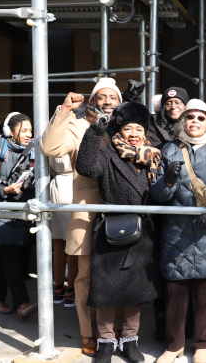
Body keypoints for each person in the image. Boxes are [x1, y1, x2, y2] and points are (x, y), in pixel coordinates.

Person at [40, 78, 144, 356]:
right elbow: (49, 149)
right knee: (86, 276)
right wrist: (63, 111)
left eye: (113, 97)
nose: (108, 101)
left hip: (122, 209)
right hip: (88, 210)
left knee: (124, 273)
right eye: (101, 97)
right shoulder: (78, 125)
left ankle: (123, 336)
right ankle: (90, 334)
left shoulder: (126, 126)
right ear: (92, 102)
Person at [150, 99, 206, 363]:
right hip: (175, 233)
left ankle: (203, 343)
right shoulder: (168, 149)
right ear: (183, 121)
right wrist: (167, 181)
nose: (195, 122)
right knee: (175, 295)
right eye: (190, 117)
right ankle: (174, 345)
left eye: (201, 118)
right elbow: (158, 195)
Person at [75, 101, 163, 363]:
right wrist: (94, 131)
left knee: (134, 291)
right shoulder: (107, 154)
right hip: (111, 230)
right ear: (119, 130)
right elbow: (86, 168)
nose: (134, 133)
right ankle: (106, 342)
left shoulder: (153, 156)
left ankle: (130, 340)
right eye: (128, 128)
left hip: (142, 232)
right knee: (107, 291)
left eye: (139, 128)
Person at [0, 112, 38, 319]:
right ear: (9, 131)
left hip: (22, 210)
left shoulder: (33, 151)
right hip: (0, 210)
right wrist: (4, 189)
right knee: (11, 255)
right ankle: (22, 302)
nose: (29, 134)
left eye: (30, 130)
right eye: (24, 130)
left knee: (7, 257)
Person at [49, 155, 78, 307]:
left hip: (56, 186)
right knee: (73, 243)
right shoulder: (77, 132)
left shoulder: (51, 132)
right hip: (74, 186)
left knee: (59, 244)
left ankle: (58, 289)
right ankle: (71, 292)